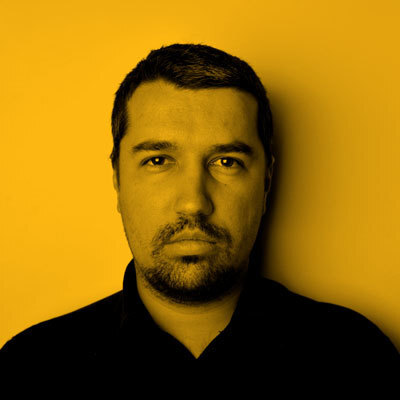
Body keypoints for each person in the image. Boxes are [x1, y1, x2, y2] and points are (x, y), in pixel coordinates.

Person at [1, 43, 399, 393]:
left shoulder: (356, 357)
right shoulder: (30, 368)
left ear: (266, 182)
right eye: (158, 160)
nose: (193, 202)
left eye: (226, 161)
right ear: (118, 179)